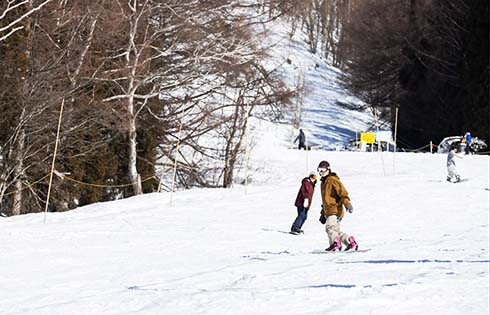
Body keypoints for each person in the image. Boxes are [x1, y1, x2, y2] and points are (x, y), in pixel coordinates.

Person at [317, 160, 358, 251]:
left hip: (335, 210)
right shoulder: (323, 183)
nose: (321, 172)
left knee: (330, 228)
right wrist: (323, 213)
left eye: (323, 170)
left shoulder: (332, 180)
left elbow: (343, 193)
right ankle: (350, 242)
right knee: (336, 231)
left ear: (328, 169)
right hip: (329, 211)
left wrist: (348, 205)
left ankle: (334, 245)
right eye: (319, 170)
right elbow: (325, 201)